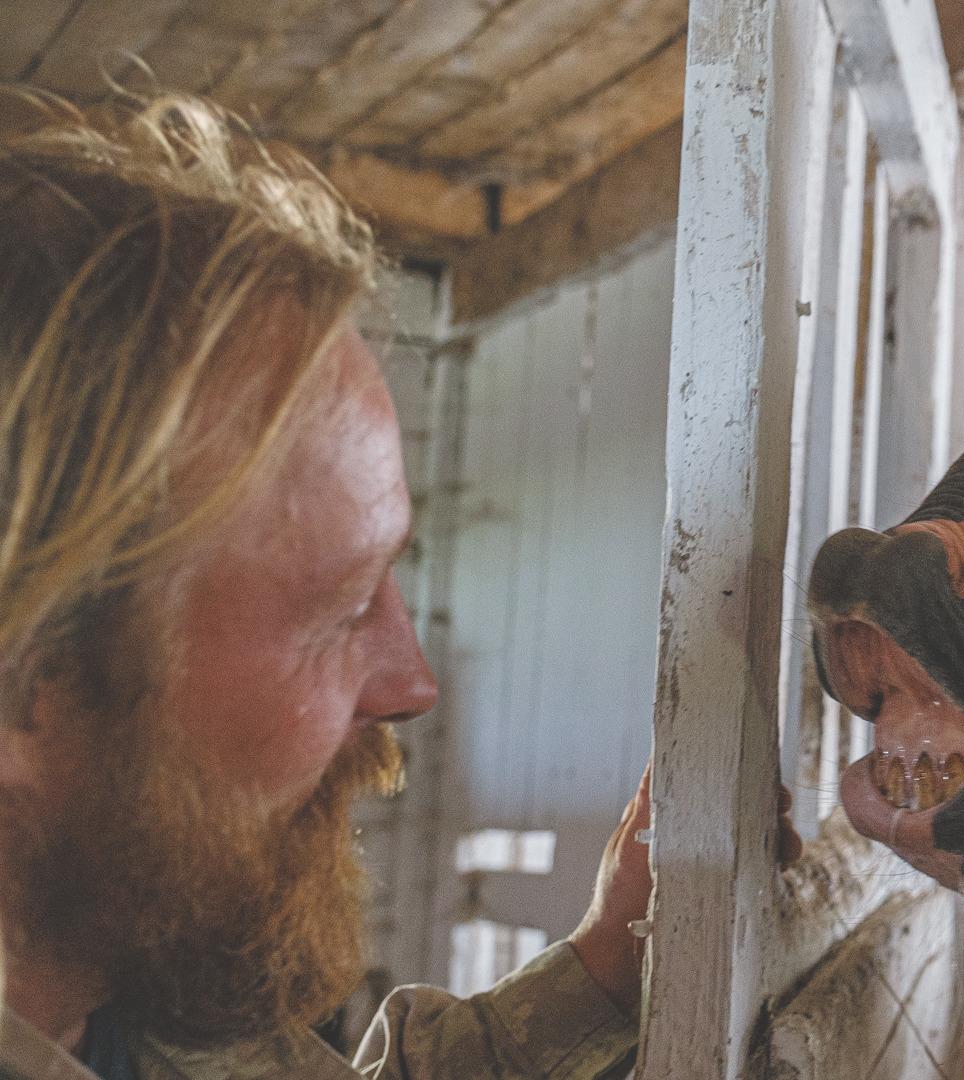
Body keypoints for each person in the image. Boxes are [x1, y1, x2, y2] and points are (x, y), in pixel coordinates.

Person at [0, 90, 794, 1079]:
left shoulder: (135, 998)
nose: (412, 684)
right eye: (339, 611)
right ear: (30, 683)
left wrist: (601, 972)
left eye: (390, 581)